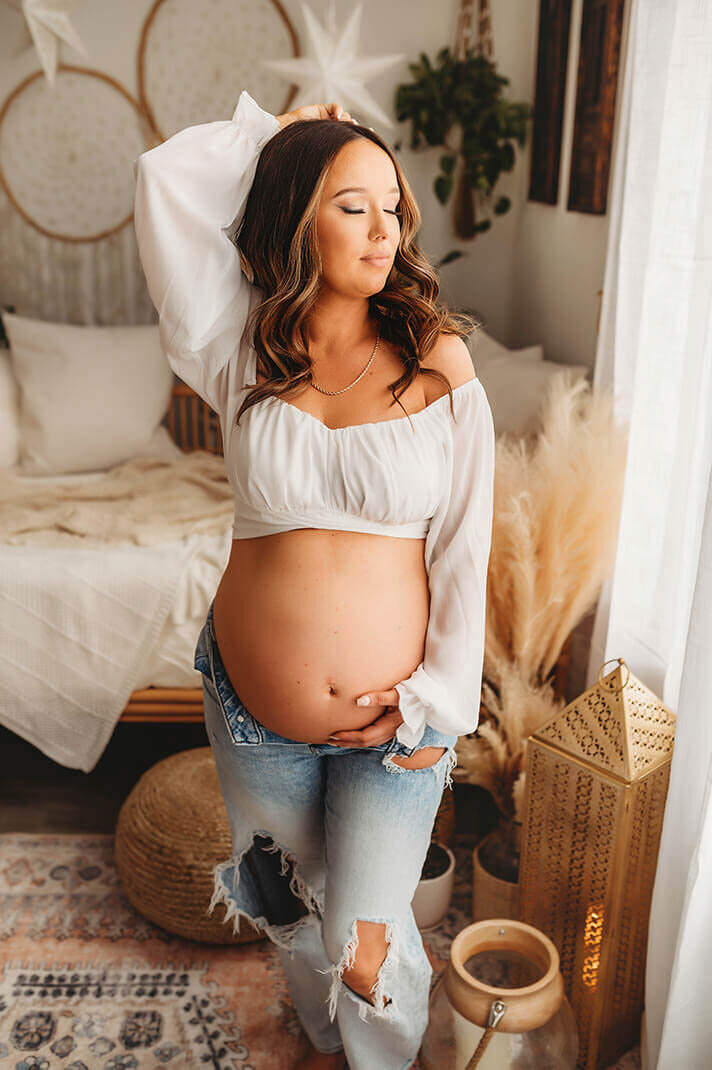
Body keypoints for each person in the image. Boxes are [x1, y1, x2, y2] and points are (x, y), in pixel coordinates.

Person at [133, 89, 495, 1070]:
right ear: (297, 216)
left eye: (393, 205)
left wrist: (436, 711)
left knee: (364, 942)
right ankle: (320, 1036)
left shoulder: (438, 362)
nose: (384, 229)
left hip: (398, 721)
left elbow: (466, 548)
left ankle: (378, 1053)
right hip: (251, 708)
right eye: (352, 204)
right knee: (285, 907)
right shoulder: (236, 343)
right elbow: (165, 180)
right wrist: (276, 133)